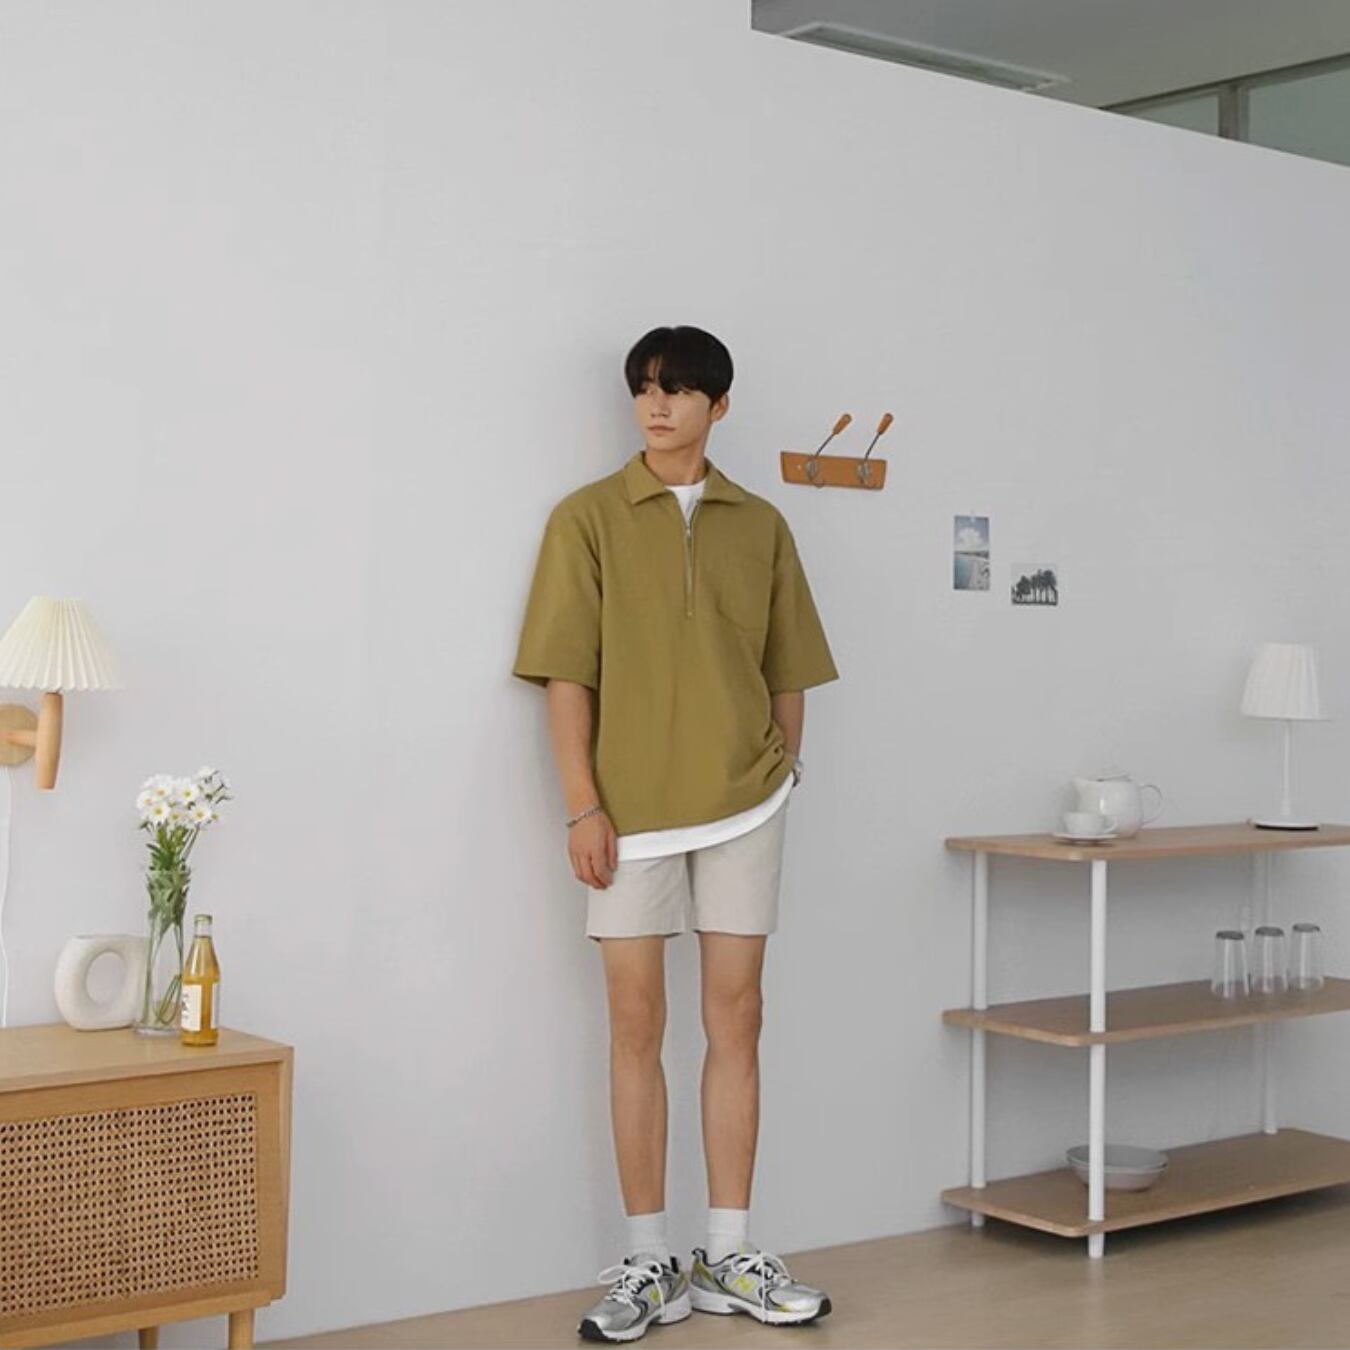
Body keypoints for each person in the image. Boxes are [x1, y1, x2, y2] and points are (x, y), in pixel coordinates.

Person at [512, 325, 840, 1342]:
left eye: (680, 390)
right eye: (645, 389)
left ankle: (730, 1253)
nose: (657, 406)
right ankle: (650, 1258)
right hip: (628, 817)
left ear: (718, 406)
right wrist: (583, 805)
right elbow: (566, 675)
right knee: (635, 1026)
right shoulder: (586, 520)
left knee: (737, 1019)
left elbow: (789, 668)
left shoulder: (762, 525)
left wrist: (783, 772)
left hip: (747, 806)